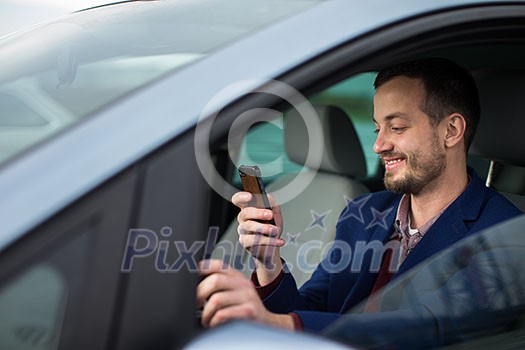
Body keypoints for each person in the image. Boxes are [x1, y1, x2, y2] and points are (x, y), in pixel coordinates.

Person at [196, 58, 522, 332]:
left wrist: (275, 323)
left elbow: (422, 330)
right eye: (377, 128)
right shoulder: (363, 212)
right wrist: (268, 262)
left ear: (451, 131)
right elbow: (310, 307)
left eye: (397, 127)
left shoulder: (507, 235)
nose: (379, 145)